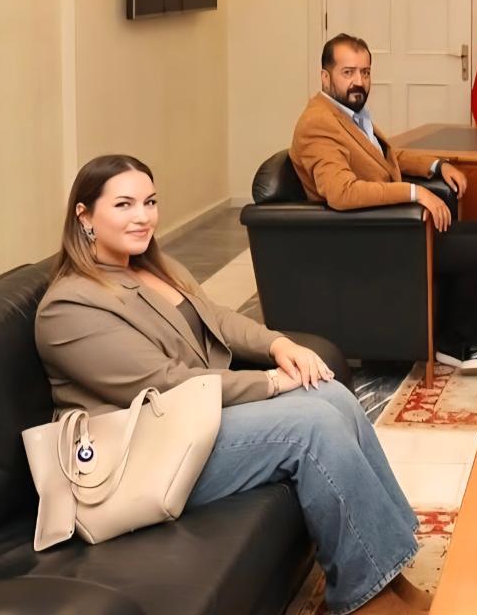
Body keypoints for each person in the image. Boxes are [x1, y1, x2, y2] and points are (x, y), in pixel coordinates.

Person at [35, 155, 429, 615]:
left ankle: (388, 572)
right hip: (146, 454)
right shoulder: (69, 306)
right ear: (84, 215)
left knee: (331, 394)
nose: (143, 217)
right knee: (312, 425)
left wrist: (278, 344)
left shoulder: (152, 267)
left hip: (192, 426)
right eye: (124, 204)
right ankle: (369, 598)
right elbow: (166, 384)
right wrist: (269, 382)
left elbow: (217, 318)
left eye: (150, 202)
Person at [290, 33, 477, 374]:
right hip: (365, 240)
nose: (359, 81)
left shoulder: (348, 115)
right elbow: (341, 192)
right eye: (348, 73)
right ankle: (467, 345)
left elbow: (387, 157)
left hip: (391, 227)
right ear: (325, 77)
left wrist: (437, 166)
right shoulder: (319, 122)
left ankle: (462, 338)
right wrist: (414, 193)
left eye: (365, 72)